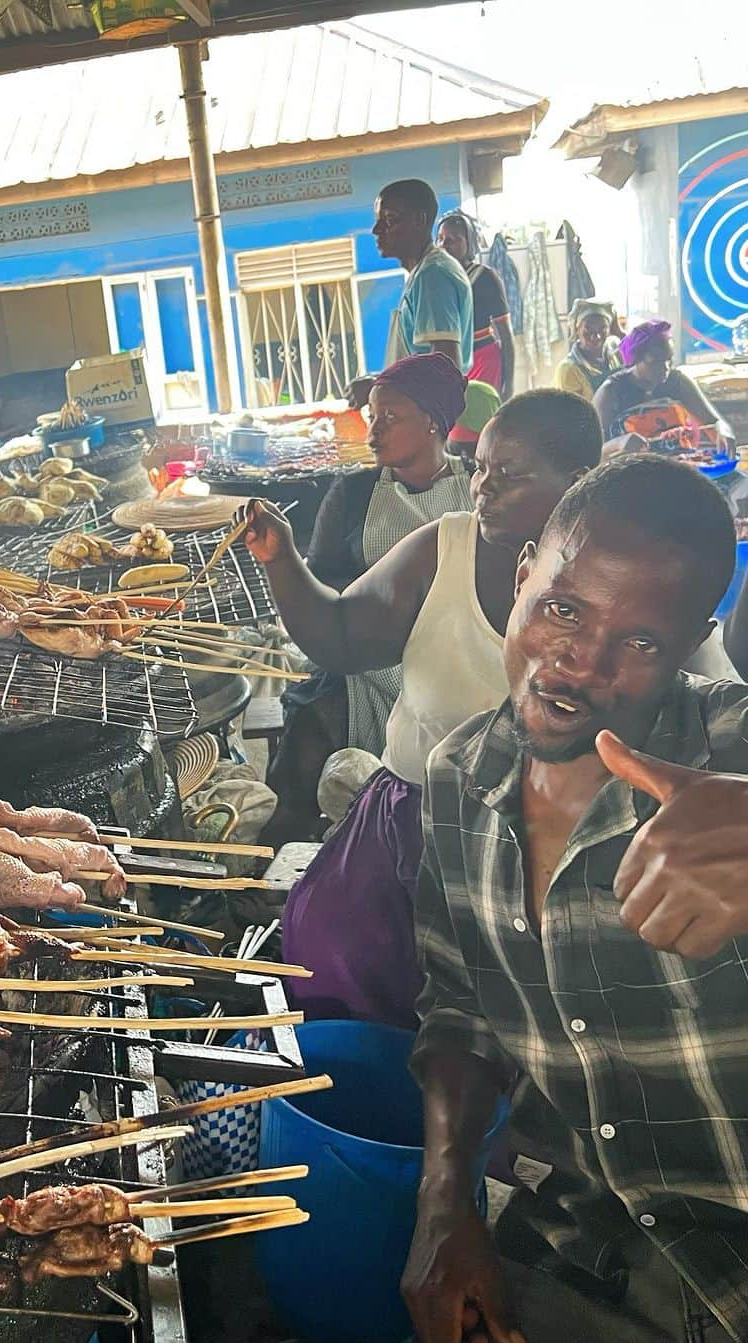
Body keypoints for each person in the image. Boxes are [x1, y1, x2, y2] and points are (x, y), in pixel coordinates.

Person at [403, 454, 747, 1343]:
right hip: (580, 1251)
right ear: (521, 577)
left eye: (640, 643)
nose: (579, 663)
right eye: (563, 607)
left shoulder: (733, 749)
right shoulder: (455, 781)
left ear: (690, 641)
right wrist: (446, 1202)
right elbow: (459, 1014)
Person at [241, 390, 603, 1021]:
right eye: (482, 467)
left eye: (510, 475)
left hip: (536, 847)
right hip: (410, 822)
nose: (484, 488)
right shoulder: (445, 548)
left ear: (577, 482)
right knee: (333, 952)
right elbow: (342, 636)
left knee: (511, 1008)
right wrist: (283, 561)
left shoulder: (613, 584)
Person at [263, 354, 474, 845]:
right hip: (369, 657)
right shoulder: (353, 495)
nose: (374, 431)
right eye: (371, 418)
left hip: (457, 656)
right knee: (313, 723)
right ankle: (285, 853)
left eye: (391, 418)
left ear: (433, 422)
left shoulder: (480, 485)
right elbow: (325, 594)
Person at [347, 180, 474, 411]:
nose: (376, 230)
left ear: (420, 220)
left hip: (431, 424)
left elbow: (446, 369)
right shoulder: (422, 273)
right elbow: (420, 361)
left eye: (389, 220)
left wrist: (379, 385)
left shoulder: (433, 275)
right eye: (378, 222)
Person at [593, 319, 735, 450]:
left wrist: (722, 430)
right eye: (656, 361)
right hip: (632, 472)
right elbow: (592, 452)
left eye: (669, 360)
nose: (666, 367)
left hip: (682, 465)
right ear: (636, 359)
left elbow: (714, 422)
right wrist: (618, 443)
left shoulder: (678, 382)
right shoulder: (611, 391)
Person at [437, 211, 515, 399]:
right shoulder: (435, 279)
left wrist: (509, 384)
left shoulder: (485, 277)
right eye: (440, 239)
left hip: (483, 361)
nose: (444, 245)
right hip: (449, 364)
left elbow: (505, 335)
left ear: (469, 242)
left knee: (479, 420)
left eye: (453, 239)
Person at [553, 298, 618, 401]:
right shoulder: (568, 369)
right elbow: (573, 412)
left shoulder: (615, 353)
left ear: (610, 329)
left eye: (602, 328)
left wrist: (620, 333)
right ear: (577, 329)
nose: (596, 336)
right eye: (588, 329)